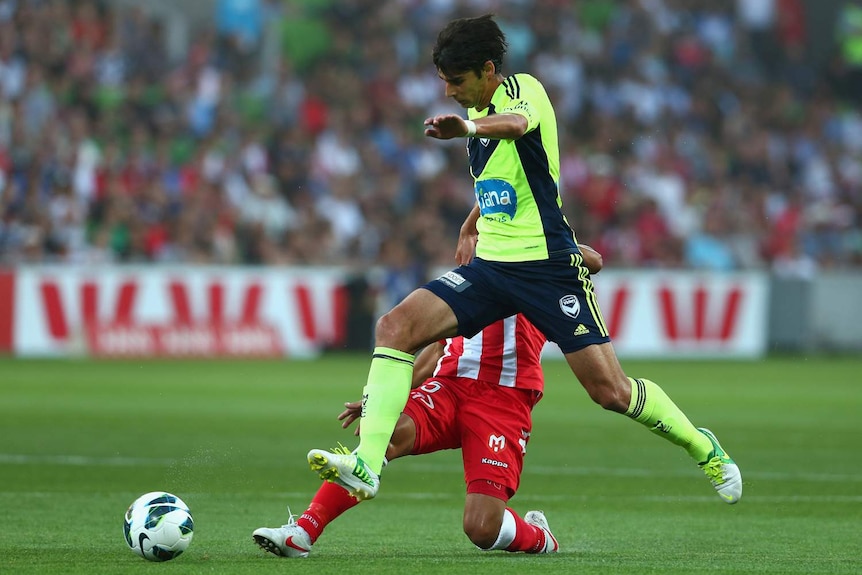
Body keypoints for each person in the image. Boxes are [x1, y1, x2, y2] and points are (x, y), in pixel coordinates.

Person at [306, 14, 741, 507]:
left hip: (548, 269)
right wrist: (472, 221)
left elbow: (515, 127)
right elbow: (505, 179)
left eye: (457, 81)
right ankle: (366, 461)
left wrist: (467, 125)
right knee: (394, 327)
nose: (448, 92)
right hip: (491, 270)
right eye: (444, 82)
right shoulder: (477, 120)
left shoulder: (523, 92)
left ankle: (702, 445)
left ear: (488, 70)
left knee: (610, 392)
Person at [251, 245, 602, 558]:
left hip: (503, 400)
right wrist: (382, 401)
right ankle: (302, 533)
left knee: (482, 528)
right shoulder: (477, 263)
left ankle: (540, 537)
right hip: (449, 386)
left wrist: (543, 248)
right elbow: (436, 346)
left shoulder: (542, 257)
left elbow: (594, 259)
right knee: (385, 435)